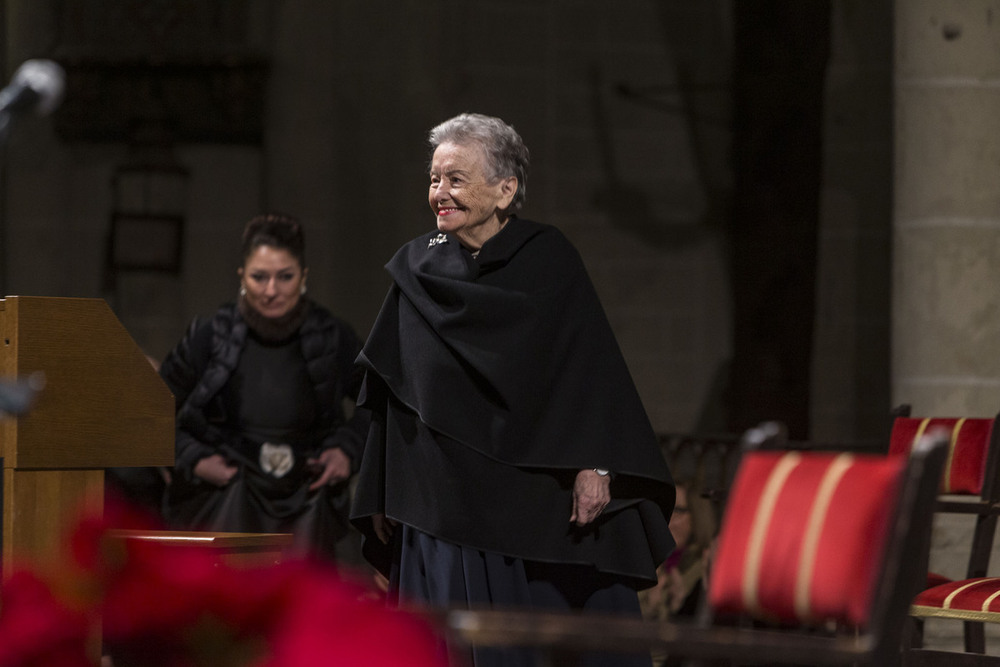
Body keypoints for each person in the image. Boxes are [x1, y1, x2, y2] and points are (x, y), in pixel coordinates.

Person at [350, 113, 676, 666]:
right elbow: (392, 389)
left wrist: (596, 465)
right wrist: (379, 488)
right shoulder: (416, 265)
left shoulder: (548, 259)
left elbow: (591, 370)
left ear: (506, 189)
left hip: (529, 500)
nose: (439, 193)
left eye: (455, 179)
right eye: (434, 179)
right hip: (439, 503)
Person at [158, 213, 368, 562]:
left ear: (303, 276)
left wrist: (347, 449)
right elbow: (150, 410)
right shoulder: (209, 337)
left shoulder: (332, 337)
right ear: (242, 277)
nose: (272, 291)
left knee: (306, 609)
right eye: (260, 277)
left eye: (285, 277)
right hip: (223, 496)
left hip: (308, 499)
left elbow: (377, 403)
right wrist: (192, 458)